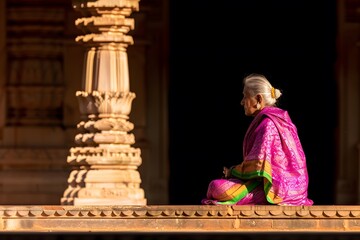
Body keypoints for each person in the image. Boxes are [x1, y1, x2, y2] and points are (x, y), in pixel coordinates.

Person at [201, 73, 314, 206]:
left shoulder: (268, 124)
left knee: (216, 187)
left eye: (245, 96)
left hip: (278, 191)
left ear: (259, 99)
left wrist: (232, 171)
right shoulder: (275, 119)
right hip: (287, 189)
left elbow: (259, 167)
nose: (242, 101)